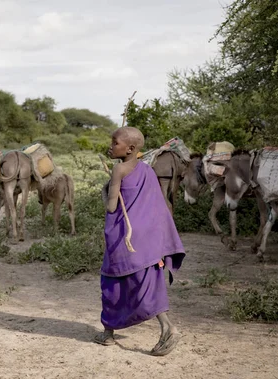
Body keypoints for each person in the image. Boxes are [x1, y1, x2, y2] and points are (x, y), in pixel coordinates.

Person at [94, 126, 186, 356]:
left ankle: (109, 334)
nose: (110, 146)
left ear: (131, 148)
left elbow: (112, 206)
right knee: (148, 286)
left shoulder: (119, 170)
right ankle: (166, 326)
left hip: (124, 239)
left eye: (115, 143)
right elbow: (156, 206)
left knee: (111, 283)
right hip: (148, 239)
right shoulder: (147, 170)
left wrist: (106, 190)